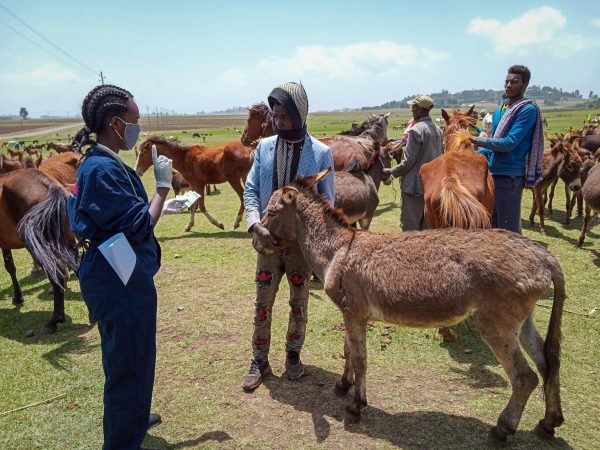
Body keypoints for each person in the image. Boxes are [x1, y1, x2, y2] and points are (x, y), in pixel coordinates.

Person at [68, 84, 173, 450]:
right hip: (115, 274)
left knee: (136, 350)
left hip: (120, 265)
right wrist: (161, 191)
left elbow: (124, 218)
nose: (137, 128)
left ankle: (135, 417)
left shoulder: (104, 162)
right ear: (115, 123)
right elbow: (141, 224)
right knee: (126, 358)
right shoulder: (99, 169)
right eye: (134, 121)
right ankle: (120, 442)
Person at [242, 82, 334, 390]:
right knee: (262, 303)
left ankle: (293, 358)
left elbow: (328, 201)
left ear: (300, 113)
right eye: (275, 115)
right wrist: (256, 225)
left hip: (299, 250)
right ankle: (259, 361)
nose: (278, 122)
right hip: (266, 242)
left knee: (299, 302)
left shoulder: (320, 154)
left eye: (284, 116)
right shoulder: (264, 148)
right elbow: (251, 189)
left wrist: (306, 235)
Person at [471, 65, 544, 233]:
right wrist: (471, 155)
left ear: (524, 85)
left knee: (507, 229)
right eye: (507, 81)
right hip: (492, 173)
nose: (508, 85)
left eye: (514, 82)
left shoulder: (527, 109)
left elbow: (509, 143)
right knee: (490, 224)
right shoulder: (502, 109)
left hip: (509, 176)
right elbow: (493, 146)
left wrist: (477, 140)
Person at [383, 95, 443, 231]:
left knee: (410, 230)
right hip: (432, 186)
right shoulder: (438, 130)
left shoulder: (415, 131)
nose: (412, 110)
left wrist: (392, 171)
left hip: (414, 188)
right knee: (427, 229)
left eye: (414, 107)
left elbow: (408, 161)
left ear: (420, 109)